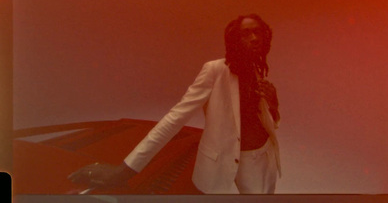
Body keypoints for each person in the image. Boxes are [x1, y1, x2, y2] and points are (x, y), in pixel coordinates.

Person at [69, 14, 282, 194]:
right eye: (246, 33)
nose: (254, 38)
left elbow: (263, 120)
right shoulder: (215, 71)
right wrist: (125, 170)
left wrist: (273, 104)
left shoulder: (258, 71)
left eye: (258, 32)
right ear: (235, 39)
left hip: (264, 159)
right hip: (226, 164)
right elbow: (175, 118)